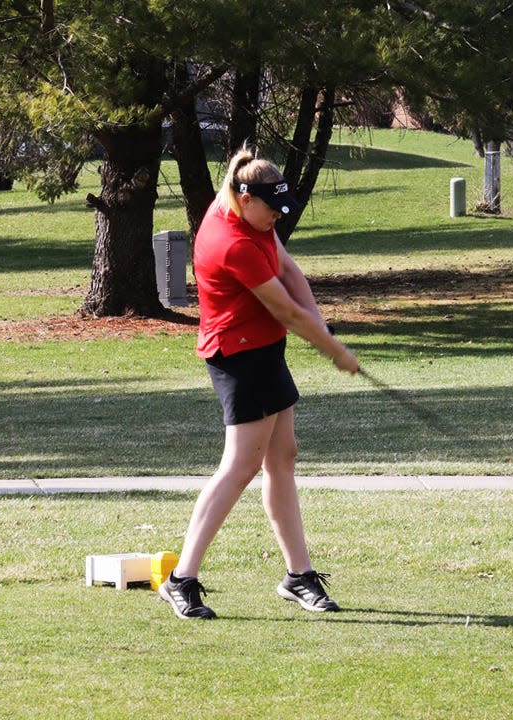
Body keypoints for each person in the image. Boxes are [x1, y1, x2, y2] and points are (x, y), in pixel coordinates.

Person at [158, 146, 359, 620]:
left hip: (264, 348)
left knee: (282, 457)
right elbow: (286, 310)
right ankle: (180, 579)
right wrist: (334, 351)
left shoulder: (253, 218)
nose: (277, 220)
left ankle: (298, 576)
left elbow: (288, 270)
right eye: (272, 211)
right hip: (237, 356)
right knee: (239, 467)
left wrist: (322, 323)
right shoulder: (232, 243)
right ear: (246, 200)